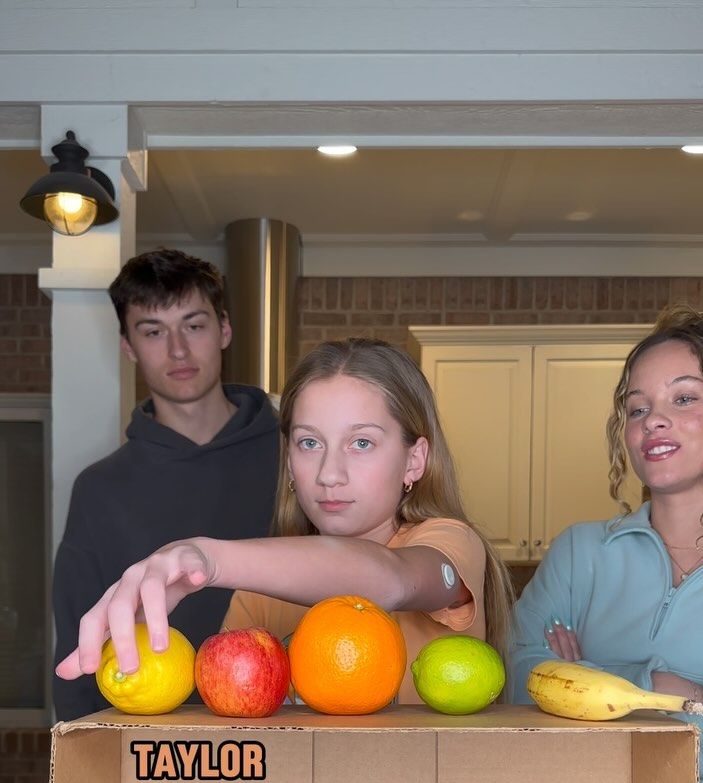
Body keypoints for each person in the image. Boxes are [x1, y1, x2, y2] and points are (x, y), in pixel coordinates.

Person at [55, 337, 514, 704]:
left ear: (414, 460)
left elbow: (390, 581)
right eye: (310, 443)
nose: (330, 474)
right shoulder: (258, 594)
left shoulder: (450, 545)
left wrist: (207, 558)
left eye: (362, 444)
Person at [507, 302, 703, 783]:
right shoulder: (580, 552)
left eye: (683, 399)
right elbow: (517, 682)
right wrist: (664, 687)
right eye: (636, 407)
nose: (653, 419)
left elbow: (556, 686)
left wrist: (589, 681)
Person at [52, 247, 279, 721]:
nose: (178, 349)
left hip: (298, 726)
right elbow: (76, 644)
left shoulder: (298, 456)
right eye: (153, 331)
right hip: (152, 746)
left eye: (194, 326)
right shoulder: (99, 488)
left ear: (225, 329)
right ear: (128, 346)